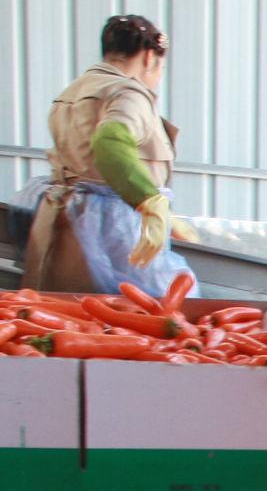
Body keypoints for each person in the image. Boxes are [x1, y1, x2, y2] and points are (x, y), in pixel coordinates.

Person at [22, 15, 195, 299]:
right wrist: (148, 201)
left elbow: (86, 166)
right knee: (145, 317)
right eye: (161, 66)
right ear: (150, 57)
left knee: (67, 318)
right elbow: (110, 143)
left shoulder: (74, 91)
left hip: (65, 224)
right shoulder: (128, 94)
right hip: (112, 233)